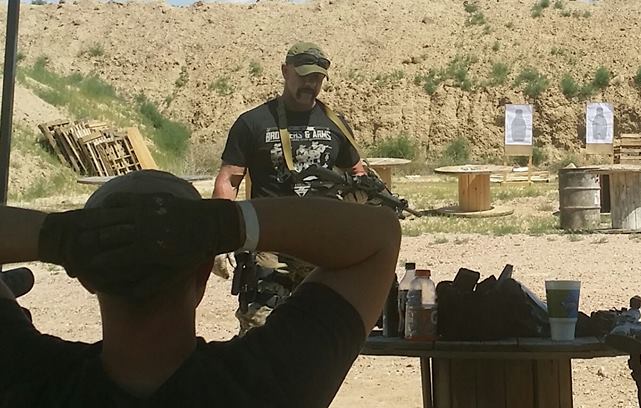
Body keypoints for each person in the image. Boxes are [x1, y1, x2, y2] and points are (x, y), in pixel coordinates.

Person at [0, 170, 401, 407]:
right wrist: (223, 224)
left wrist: (62, 235)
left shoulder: (31, 380)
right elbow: (378, 236)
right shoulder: (266, 384)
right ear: (205, 273)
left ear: (85, 277)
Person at [212, 41, 367, 333]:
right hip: (268, 246)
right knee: (260, 329)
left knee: (320, 330)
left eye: (317, 78)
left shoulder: (335, 123)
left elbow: (357, 173)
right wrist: (220, 236)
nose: (310, 84)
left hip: (321, 247)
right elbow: (230, 179)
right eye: (304, 76)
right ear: (285, 71)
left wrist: (361, 200)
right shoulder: (253, 123)